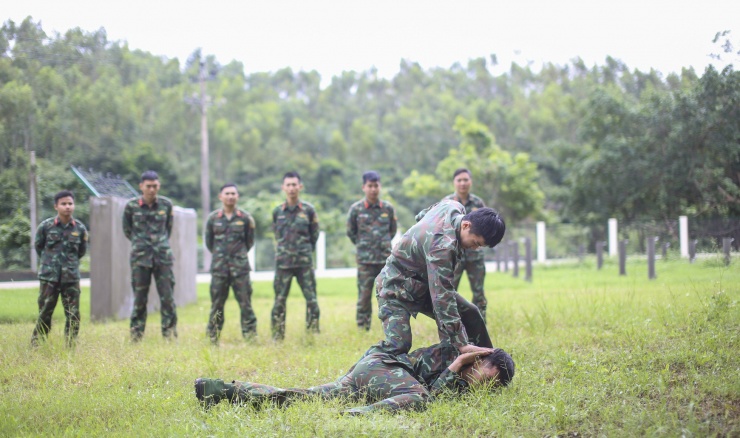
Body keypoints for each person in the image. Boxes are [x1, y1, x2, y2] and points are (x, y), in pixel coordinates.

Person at [194, 341, 514, 414]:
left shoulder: (462, 376)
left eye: (491, 385)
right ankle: (359, 417)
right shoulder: (451, 353)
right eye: (487, 375)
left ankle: (221, 389)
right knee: (421, 398)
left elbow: (443, 391)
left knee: (303, 397)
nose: (482, 383)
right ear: (481, 358)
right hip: (379, 369)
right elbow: (431, 395)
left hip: (373, 377)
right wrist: (458, 360)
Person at [373, 199, 505, 356]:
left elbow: (421, 216)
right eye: (476, 242)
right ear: (466, 225)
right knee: (398, 346)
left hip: (424, 284)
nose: (475, 248)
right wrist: (461, 343)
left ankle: (490, 362)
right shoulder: (442, 248)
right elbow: (443, 299)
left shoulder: (452, 206)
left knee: (471, 313)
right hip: (395, 287)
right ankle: (354, 376)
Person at [123, 170, 177, 341]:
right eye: (148, 186)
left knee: (167, 298)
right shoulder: (131, 206)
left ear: (159, 186)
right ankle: (136, 337)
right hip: (140, 259)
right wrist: (142, 244)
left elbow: (168, 228)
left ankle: (169, 336)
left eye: (155, 186)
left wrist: (158, 244)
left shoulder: (166, 205)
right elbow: (127, 230)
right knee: (140, 299)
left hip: (163, 258)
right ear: (141, 187)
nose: (152, 190)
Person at [31, 190, 88, 347]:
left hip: (71, 278)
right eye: (63, 204)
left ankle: (70, 347)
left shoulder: (80, 229)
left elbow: (81, 251)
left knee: (73, 314)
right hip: (49, 277)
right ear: (56, 206)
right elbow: (39, 247)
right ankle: (37, 345)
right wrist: (50, 264)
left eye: (70, 203)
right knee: (45, 312)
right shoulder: (46, 227)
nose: (67, 207)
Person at [204, 183, 257, 343]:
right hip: (220, 270)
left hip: (240, 269)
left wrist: (237, 256)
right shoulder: (213, 219)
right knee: (217, 305)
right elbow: (209, 243)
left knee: (245, 304)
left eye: (233, 193)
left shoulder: (246, 218)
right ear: (220, 197)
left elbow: (250, 241)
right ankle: (213, 338)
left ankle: (250, 337)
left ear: (237, 196)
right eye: (227, 193)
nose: (230, 196)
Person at [271, 171, 321, 340]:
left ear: (300, 187)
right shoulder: (277, 211)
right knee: (279, 301)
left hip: (304, 263)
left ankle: (312, 333)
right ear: (283, 187)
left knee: (311, 300)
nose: (291, 188)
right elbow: (276, 234)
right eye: (288, 185)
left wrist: (304, 250)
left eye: (294, 185)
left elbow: (314, 235)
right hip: (283, 264)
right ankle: (277, 336)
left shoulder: (308, 210)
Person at [346, 171, 397, 330]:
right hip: (365, 261)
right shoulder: (356, 209)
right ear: (363, 187)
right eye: (370, 186)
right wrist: (364, 245)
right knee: (364, 296)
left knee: (388, 294)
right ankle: (363, 327)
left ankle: (391, 327)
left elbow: (392, 231)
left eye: (376, 186)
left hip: (384, 260)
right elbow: (351, 232)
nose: (373, 189)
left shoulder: (387, 208)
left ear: (380, 186)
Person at [444, 168, 489, 319]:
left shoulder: (478, 202)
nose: (462, 183)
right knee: (450, 291)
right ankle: (452, 323)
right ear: (454, 183)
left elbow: (485, 227)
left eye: (466, 180)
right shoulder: (448, 202)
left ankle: (481, 323)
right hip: (455, 255)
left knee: (479, 292)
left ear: (471, 182)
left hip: (475, 256)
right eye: (459, 180)